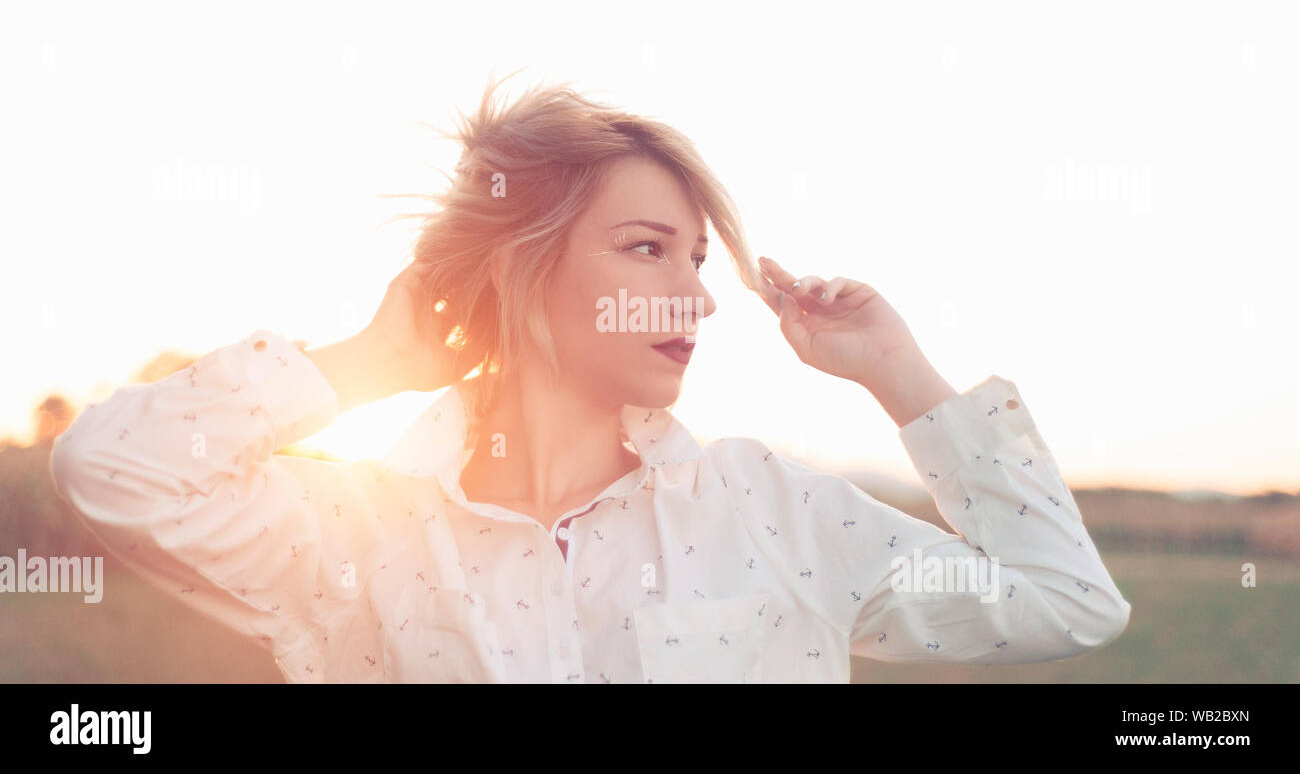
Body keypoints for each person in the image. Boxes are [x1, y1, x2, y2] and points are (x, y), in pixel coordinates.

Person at [49, 75, 1131, 683]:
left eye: (698, 259)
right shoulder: (353, 533)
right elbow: (112, 469)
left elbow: (1063, 601)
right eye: (648, 248)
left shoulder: (769, 510)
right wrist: (371, 362)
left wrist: (901, 374)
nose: (697, 296)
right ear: (526, 268)